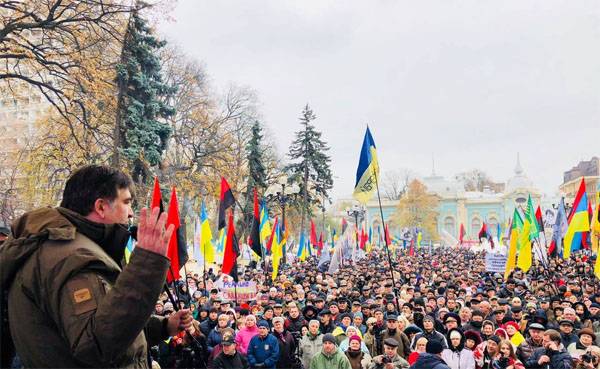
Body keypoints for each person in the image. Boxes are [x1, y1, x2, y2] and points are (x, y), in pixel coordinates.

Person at [0, 165, 193, 368]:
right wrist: (147, 265)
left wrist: (162, 327)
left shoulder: (63, 248)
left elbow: (100, 319)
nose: (130, 214)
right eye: (126, 203)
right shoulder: (72, 257)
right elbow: (96, 344)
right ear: (100, 207)